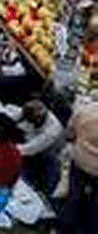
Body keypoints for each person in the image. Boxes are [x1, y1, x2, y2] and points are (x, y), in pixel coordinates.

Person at [59, 100, 98, 234]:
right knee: (95, 203)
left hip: (81, 160)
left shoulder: (85, 110)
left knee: (74, 194)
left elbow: (70, 134)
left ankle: (66, 226)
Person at [16, 99, 64, 194]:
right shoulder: (32, 113)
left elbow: (31, 148)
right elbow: (16, 117)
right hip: (34, 141)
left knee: (50, 165)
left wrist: (6, 149)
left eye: (31, 120)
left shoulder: (52, 130)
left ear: (38, 119)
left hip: (51, 150)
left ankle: (47, 192)